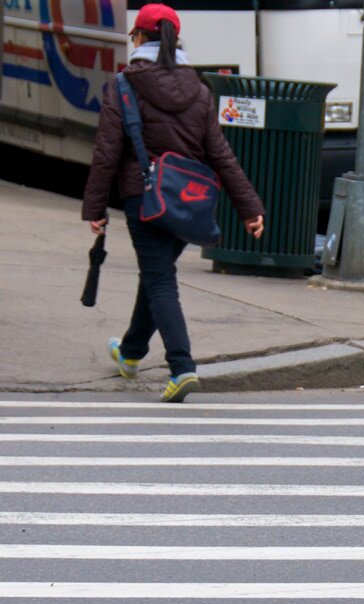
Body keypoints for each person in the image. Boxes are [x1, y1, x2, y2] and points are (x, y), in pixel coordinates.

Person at [81, 3, 265, 403]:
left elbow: (107, 152)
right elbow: (220, 154)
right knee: (156, 273)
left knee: (160, 279)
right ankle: (130, 353)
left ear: (140, 38)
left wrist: (94, 209)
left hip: (143, 198)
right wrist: (250, 208)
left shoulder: (124, 85)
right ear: (175, 40)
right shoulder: (199, 91)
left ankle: (182, 367)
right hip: (188, 203)